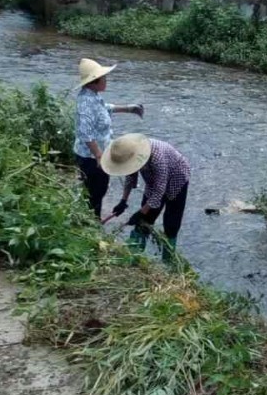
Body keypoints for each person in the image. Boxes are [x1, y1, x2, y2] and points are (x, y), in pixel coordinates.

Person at [102, 134, 190, 261]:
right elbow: (130, 178)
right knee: (143, 222)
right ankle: (134, 255)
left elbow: (160, 191)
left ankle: (169, 261)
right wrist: (123, 201)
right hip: (153, 180)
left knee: (171, 223)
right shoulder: (130, 154)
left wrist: (141, 212)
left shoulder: (157, 157)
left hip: (177, 177)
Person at [74, 58, 144, 218]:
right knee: (96, 194)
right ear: (93, 82)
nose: (106, 80)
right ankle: (91, 225)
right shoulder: (85, 102)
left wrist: (128, 108)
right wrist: (99, 156)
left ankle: (90, 221)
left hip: (96, 156)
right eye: (104, 77)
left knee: (96, 193)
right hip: (91, 159)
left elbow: (104, 108)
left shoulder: (93, 96)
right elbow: (85, 133)